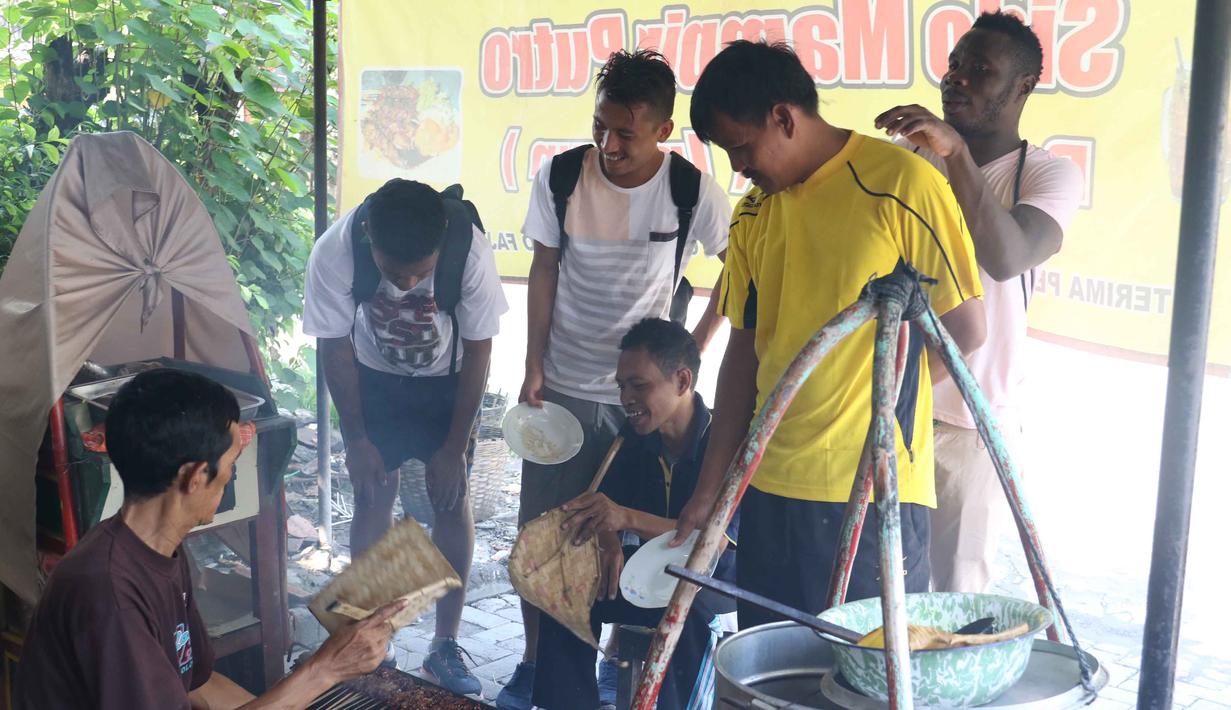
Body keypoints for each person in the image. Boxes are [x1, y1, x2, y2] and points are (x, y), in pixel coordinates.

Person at [672, 40, 987, 628]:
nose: (738, 169)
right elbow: (742, 355)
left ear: (783, 118)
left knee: (861, 677)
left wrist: (878, 400)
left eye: (741, 148)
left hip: (869, 495)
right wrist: (711, 489)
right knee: (771, 672)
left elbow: (966, 328)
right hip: (766, 488)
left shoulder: (901, 183)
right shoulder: (752, 214)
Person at [499, 50, 731, 710]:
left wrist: (691, 352)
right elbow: (544, 269)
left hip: (646, 401)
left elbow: (737, 272)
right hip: (566, 392)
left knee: (641, 537)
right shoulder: (564, 177)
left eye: (625, 133)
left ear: (661, 130)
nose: (608, 144)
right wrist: (533, 363)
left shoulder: (689, 190)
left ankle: (631, 665)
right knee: (548, 537)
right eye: (600, 126)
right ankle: (538, 662)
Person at [15, 369, 405, 709]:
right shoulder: (108, 593)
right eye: (231, 465)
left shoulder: (159, 548)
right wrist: (326, 669)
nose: (230, 476)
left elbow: (199, 686)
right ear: (196, 476)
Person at [874, 11, 1083, 593]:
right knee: (884, 585)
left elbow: (1007, 256)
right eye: (954, 64)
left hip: (972, 418)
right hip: (893, 404)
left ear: (1022, 88)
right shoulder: (910, 162)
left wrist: (956, 155)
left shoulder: (1047, 175)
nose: (956, 78)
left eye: (979, 70)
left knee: (957, 595)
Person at [302, 178, 508, 694]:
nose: (413, 283)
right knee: (373, 491)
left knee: (450, 497)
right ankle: (365, 637)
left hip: (448, 381)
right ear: (372, 240)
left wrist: (454, 449)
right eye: (399, 274)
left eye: (424, 272)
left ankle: (445, 645)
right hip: (374, 377)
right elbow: (334, 346)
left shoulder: (470, 252)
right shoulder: (335, 252)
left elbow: (481, 350)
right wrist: (355, 440)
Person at [533, 319, 737, 710]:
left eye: (639, 385)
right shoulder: (633, 437)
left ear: (681, 381)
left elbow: (718, 540)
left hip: (710, 586)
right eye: (621, 386)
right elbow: (605, 507)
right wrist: (608, 540)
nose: (626, 398)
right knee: (566, 586)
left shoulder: (721, 445)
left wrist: (624, 519)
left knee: (689, 608)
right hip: (648, 577)